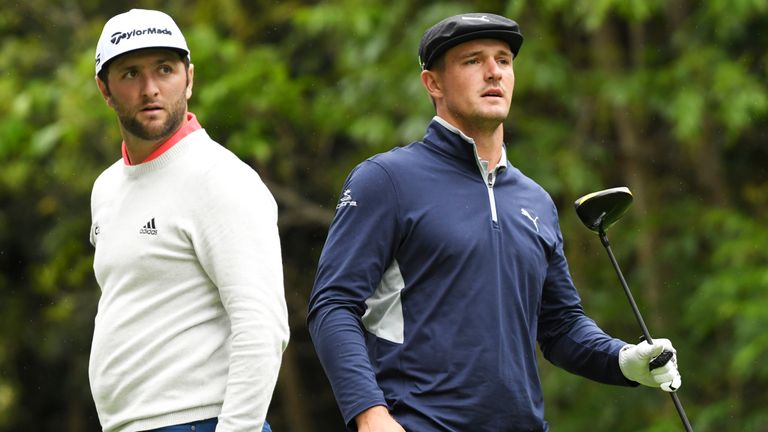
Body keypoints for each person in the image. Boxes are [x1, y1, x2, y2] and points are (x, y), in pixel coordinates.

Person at [307, 12, 682, 432]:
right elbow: (333, 305)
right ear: (433, 83)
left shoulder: (535, 200)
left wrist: (622, 360)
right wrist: (369, 413)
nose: (493, 73)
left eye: (503, 60)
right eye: (473, 61)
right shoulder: (387, 180)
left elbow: (560, 327)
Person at [89, 9, 289, 432]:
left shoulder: (220, 178)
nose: (150, 88)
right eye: (130, 74)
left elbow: (262, 326)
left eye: (165, 69)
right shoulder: (106, 187)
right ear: (105, 89)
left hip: (203, 420)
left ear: (189, 78)